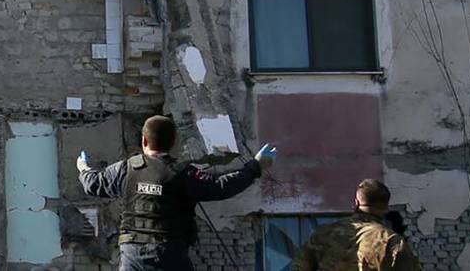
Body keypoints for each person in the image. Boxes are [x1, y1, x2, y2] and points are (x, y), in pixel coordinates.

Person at [78, 114, 276, 270]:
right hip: (170, 254)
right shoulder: (184, 174)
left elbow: (93, 184)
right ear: (173, 143)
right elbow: (221, 186)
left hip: (133, 256)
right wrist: (255, 167)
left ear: (144, 141)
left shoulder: (126, 169)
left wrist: (84, 168)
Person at [292, 179, 421, 271]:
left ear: (356, 203)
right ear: (386, 207)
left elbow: (299, 266)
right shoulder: (392, 242)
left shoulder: (324, 234)